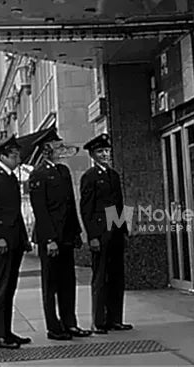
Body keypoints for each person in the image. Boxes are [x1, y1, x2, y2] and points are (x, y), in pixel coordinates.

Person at [28, 128, 92, 341]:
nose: (62, 149)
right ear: (47, 149)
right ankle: (53, 326)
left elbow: (70, 204)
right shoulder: (38, 174)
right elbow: (41, 210)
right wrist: (49, 240)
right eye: (57, 146)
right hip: (51, 238)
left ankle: (69, 322)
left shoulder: (63, 171)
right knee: (51, 284)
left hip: (66, 235)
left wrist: (76, 232)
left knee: (68, 282)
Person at [0, 135, 32, 350]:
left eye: (18, 155)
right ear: (3, 156)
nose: (18, 159)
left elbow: (15, 212)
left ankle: (6, 331)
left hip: (14, 240)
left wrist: (24, 239)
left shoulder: (9, 177)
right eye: (15, 155)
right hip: (2, 240)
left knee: (9, 287)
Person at [79, 133, 132, 333]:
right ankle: (99, 321)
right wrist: (92, 236)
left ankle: (115, 319)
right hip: (100, 231)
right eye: (100, 152)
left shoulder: (113, 175)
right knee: (100, 277)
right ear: (93, 155)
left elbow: (118, 204)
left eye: (107, 151)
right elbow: (86, 208)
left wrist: (124, 229)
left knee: (117, 276)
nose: (105, 155)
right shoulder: (89, 177)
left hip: (115, 229)